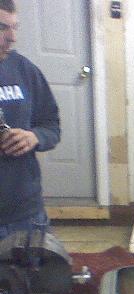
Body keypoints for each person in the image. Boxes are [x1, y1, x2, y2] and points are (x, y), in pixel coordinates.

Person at [0, 0, 60, 239]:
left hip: (26, 213)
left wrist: (34, 137)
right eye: (2, 27)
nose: (12, 37)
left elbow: (52, 125)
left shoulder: (25, 70)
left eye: (15, 27)